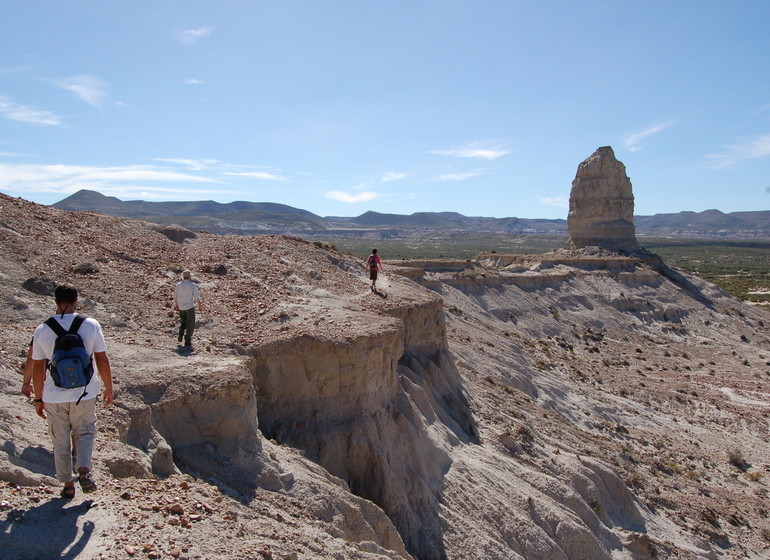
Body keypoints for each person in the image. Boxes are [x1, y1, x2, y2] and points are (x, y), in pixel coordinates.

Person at [31, 283, 113, 499]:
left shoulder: (43, 329)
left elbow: (38, 367)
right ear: (77, 300)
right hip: (85, 392)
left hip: (53, 394)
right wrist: (108, 387)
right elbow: (101, 359)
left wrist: (38, 398)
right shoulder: (91, 325)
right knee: (85, 432)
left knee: (60, 439)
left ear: (56, 302)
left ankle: (67, 483)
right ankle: (84, 470)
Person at [174, 270, 201, 347]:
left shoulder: (178, 285)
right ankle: (187, 339)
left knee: (183, 321)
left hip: (181, 307)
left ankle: (180, 334)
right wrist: (199, 305)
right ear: (189, 277)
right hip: (189, 307)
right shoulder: (192, 285)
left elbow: (175, 297)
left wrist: (177, 306)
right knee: (190, 324)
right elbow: (196, 297)